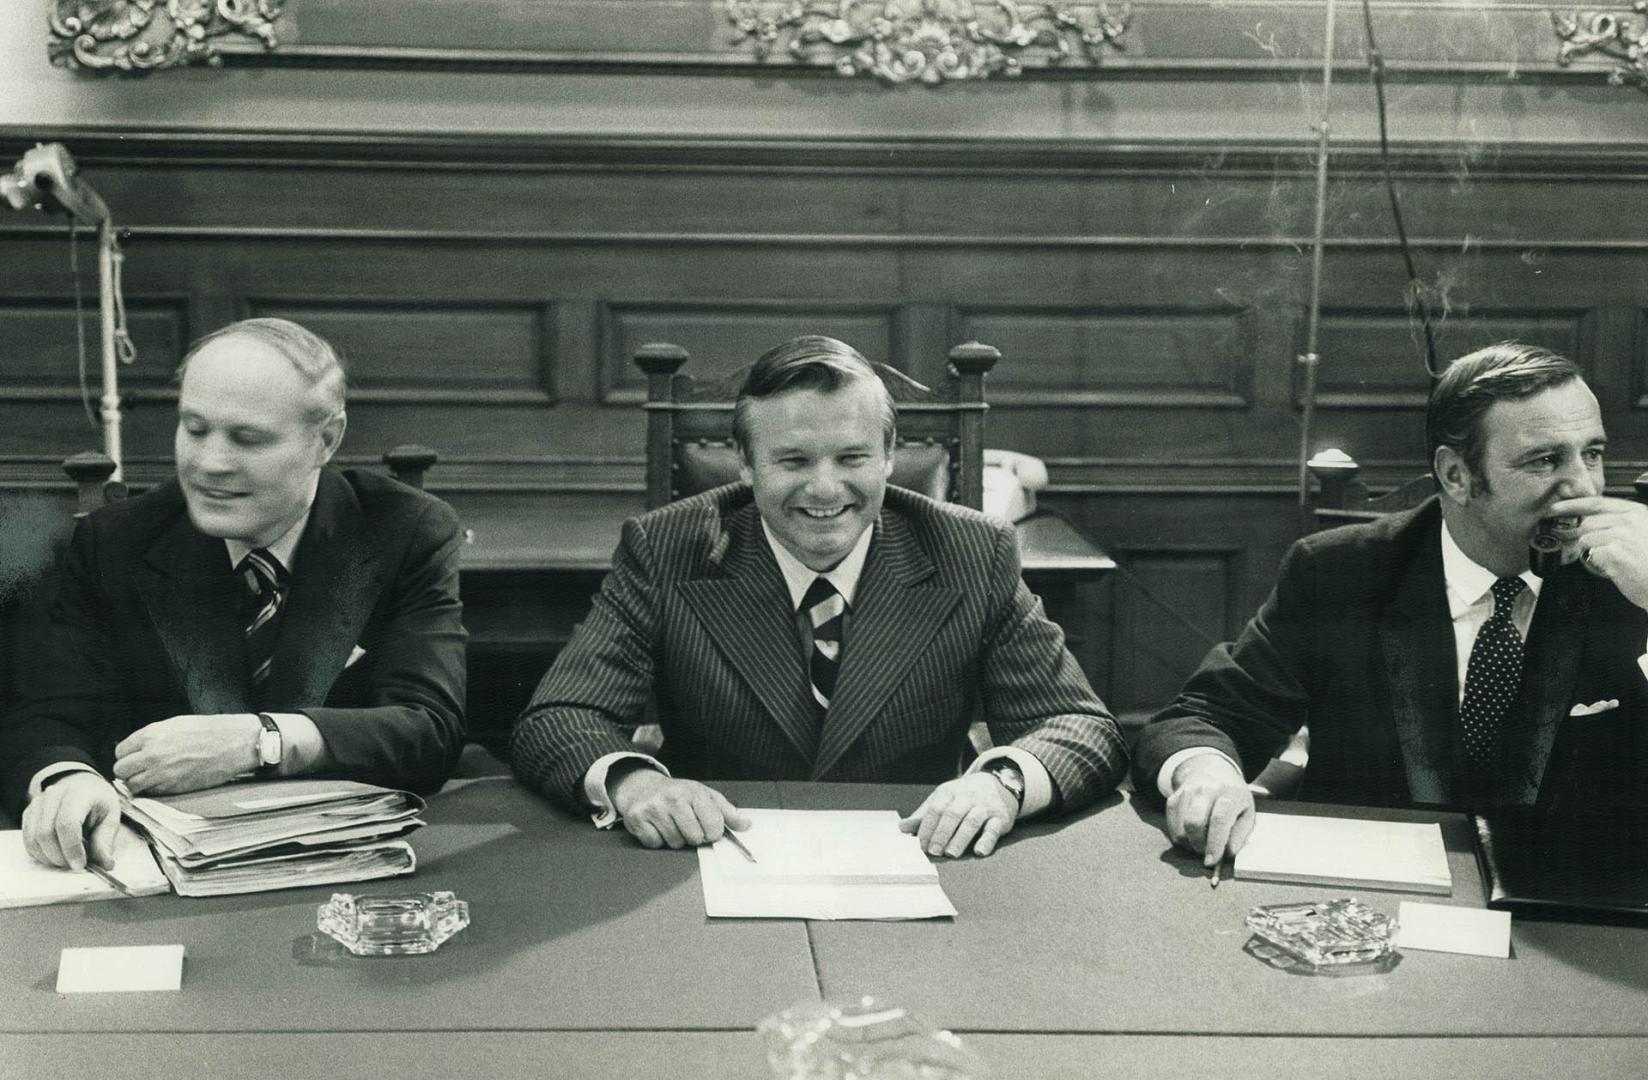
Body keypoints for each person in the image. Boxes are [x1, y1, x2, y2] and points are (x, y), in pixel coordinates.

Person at [511, 335, 1126, 857]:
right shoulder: (666, 547)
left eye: (852, 457)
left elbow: (1078, 726)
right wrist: (635, 783)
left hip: (918, 855)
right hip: (715, 858)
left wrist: (1001, 785)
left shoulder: (972, 551)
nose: (825, 489)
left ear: (889, 458)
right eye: (793, 460)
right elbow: (561, 718)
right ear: (746, 466)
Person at [1134, 342, 1648, 868]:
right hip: (1377, 894)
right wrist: (1208, 776)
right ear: (1456, 476)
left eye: (1593, 453)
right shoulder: (1341, 572)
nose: (1585, 487)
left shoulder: (1632, 576)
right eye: (1546, 460)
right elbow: (1208, 714)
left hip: (1580, 897)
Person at [2, 318, 467, 869]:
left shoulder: (404, 528)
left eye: (247, 439)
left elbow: (428, 728)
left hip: (342, 866)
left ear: (326, 439)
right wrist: (66, 778)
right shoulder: (116, 540)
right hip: (157, 874)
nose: (209, 464)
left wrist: (259, 740)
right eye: (195, 429)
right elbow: (50, 712)